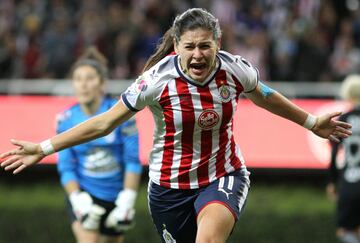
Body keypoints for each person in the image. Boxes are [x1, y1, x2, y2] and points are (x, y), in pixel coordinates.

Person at [0, 8, 352, 243]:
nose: (198, 54)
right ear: (176, 46)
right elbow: (105, 123)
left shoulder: (235, 69)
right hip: (168, 188)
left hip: (223, 174)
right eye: (190, 47)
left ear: (218, 44)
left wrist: (309, 122)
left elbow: (264, 95)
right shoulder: (155, 80)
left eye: (205, 46)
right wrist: (43, 147)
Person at [56, 47, 142, 243]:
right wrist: (77, 199)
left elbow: (132, 161)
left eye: (90, 79)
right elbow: (66, 166)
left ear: (102, 83)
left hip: (116, 198)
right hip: (84, 195)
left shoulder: (122, 116)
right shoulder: (65, 120)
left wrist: (127, 200)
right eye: (78, 79)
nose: (83, 85)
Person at [326, 74, 360, 243]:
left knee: (345, 231)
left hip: (349, 183)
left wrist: (332, 182)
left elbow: (333, 156)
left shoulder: (344, 119)